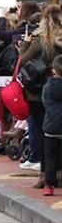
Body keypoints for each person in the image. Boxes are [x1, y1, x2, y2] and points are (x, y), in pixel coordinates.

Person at [19, 4, 62, 178]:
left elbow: (22, 61)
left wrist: (25, 44)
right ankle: (58, 171)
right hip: (59, 88)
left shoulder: (40, 40)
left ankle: (46, 174)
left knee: (42, 132)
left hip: (38, 92)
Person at [40, 55, 62, 196]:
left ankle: (49, 185)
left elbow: (45, 103)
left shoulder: (47, 87)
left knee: (50, 156)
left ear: (54, 70)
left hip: (51, 127)